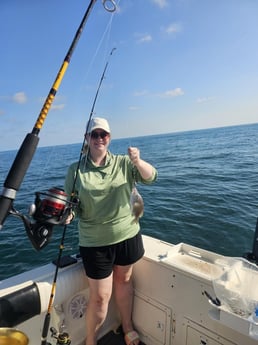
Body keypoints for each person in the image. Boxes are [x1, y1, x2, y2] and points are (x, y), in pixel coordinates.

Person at [64, 117, 157, 345]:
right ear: (87, 139)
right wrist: (68, 215)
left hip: (127, 235)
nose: (99, 139)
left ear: (109, 138)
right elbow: (73, 204)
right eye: (94, 135)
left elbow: (151, 177)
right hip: (94, 243)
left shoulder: (124, 163)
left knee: (124, 281)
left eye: (103, 134)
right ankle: (90, 340)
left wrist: (137, 161)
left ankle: (127, 326)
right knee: (100, 298)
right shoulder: (76, 171)